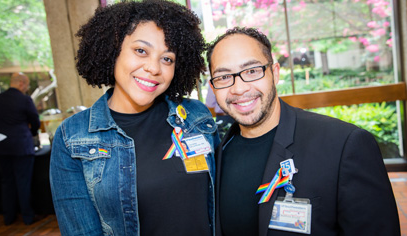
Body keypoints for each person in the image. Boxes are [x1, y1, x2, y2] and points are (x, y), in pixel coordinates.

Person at [207, 27, 400, 235]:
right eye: (224, 77)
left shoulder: (344, 145)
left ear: (275, 72)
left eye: (252, 71)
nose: (239, 88)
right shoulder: (217, 153)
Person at [49, 1, 219, 236]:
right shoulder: (73, 137)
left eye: (167, 59)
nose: (153, 68)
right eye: (141, 51)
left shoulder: (196, 117)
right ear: (112, 49)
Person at [0, 72, 40, 225]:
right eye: (27, 85)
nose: (27, 88)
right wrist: (31, 133)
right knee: (23, 182)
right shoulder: (25, 100)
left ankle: (8, 217)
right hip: (21, 146)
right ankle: (28, 217)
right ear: (22, 83)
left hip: (0, 146)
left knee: (6, 182)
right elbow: (35, 121)